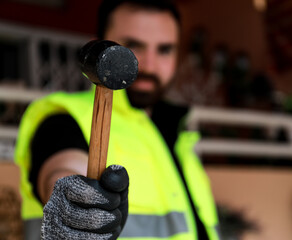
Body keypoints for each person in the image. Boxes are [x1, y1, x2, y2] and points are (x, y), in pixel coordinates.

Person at [14, 0, 220, 239]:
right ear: (99, 46)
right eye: (133, 46)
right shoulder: (64, 118)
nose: (149, 65)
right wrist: (74, 206)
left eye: (164, 49)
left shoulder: (178, 132)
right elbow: (61, 170)